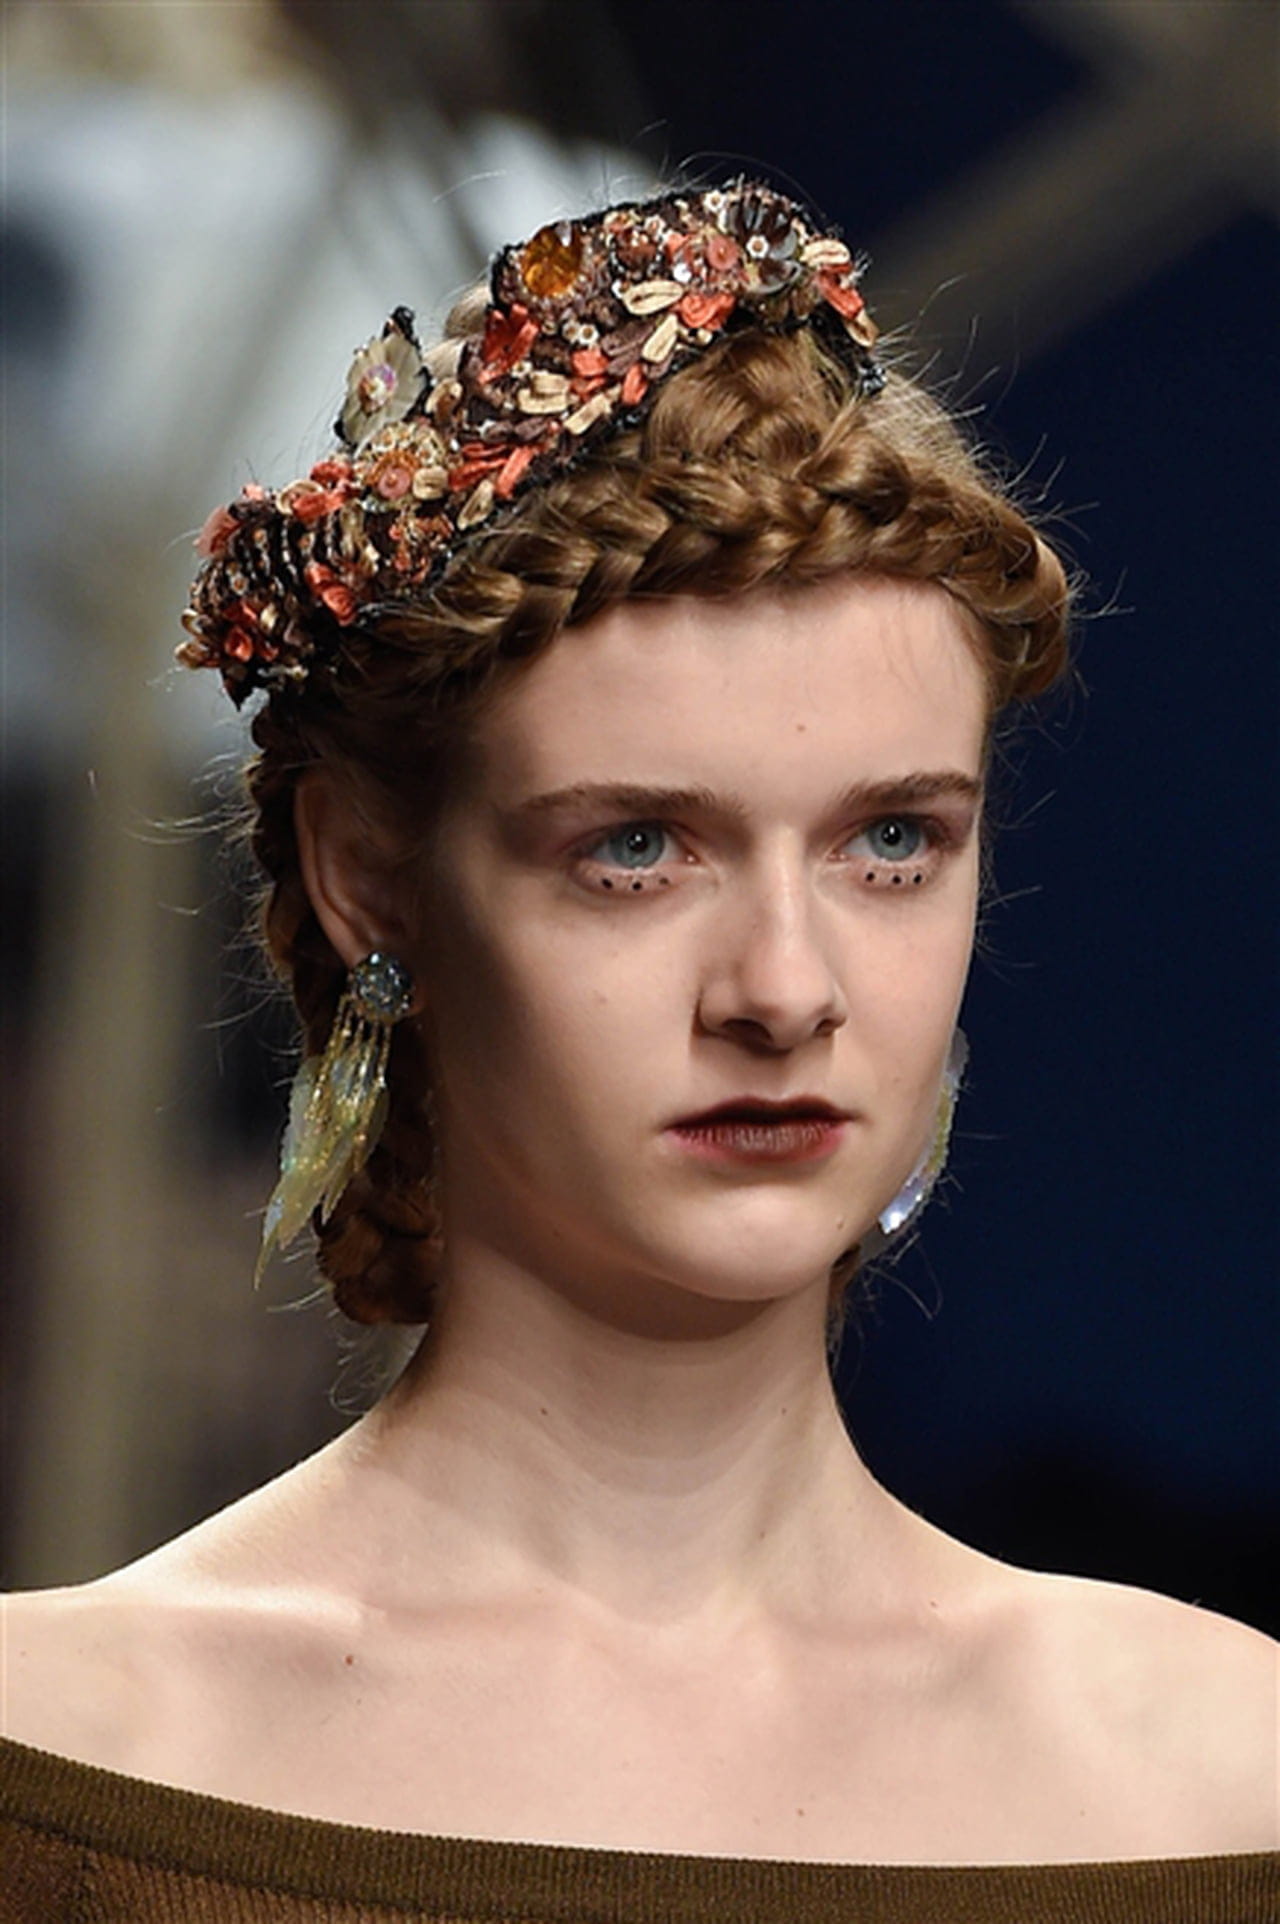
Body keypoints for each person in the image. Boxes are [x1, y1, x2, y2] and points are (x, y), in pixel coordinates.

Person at [1, 179, 1274, 1923]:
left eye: (891, 841)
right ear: (367, 877)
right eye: (638, 848)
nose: (785, 988)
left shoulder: (1220, 1779)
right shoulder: (63, 1761)